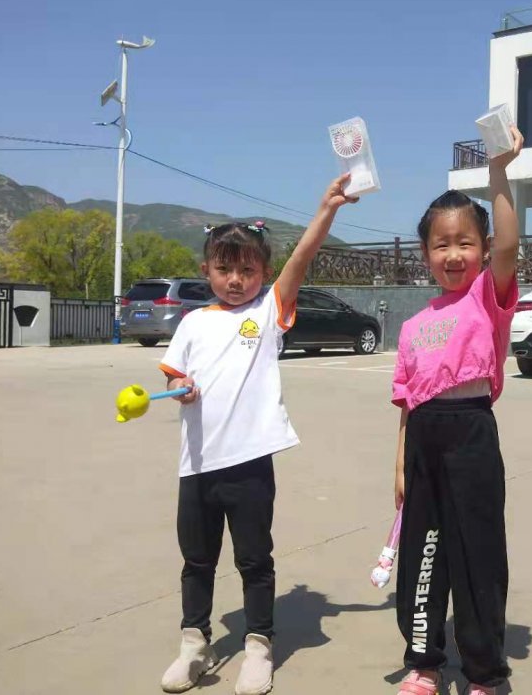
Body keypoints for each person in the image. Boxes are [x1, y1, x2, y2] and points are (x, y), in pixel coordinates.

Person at [157, 175, 357, 695]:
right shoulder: (193, 323)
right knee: (196, 561)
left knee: (253, 560)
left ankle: (258, 646)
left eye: (247, 271)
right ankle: (194, 645)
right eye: (224, 269)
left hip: (248, 465)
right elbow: (174, 375)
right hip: (197, 465)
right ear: (206, 270)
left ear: (264, 274)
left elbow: (302, 258)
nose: (235, 280)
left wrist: (326, 209)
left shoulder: (267, 313)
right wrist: (179, 388)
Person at [390, 126, 524, 695]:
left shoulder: (485, 297)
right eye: (441, 245)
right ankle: (423, 661)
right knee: (423, 555)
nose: (453, 254)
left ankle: (484, 672)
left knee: (477, 554)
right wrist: (399, 463)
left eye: (465, 242)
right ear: (425, 254)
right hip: (423, 439)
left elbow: (511, 246)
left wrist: (498, 172)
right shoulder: (412, 326)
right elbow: (407, 403)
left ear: (483, 249)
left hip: (471, 434)